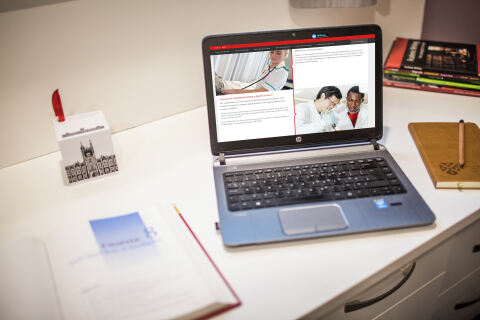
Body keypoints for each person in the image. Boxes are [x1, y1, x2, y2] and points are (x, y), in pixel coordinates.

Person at [216, 50, 289, 95]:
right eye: (271, 52)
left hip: (256, 94)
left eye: (278, 53)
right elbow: (264, 81)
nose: (274, 55)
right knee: (227, 83)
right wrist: (256, 81)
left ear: (285, 54)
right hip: (252, 87)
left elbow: (263, 92)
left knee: (222, 85)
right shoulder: (269, 66)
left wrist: (235, 91)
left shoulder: (281, 71)